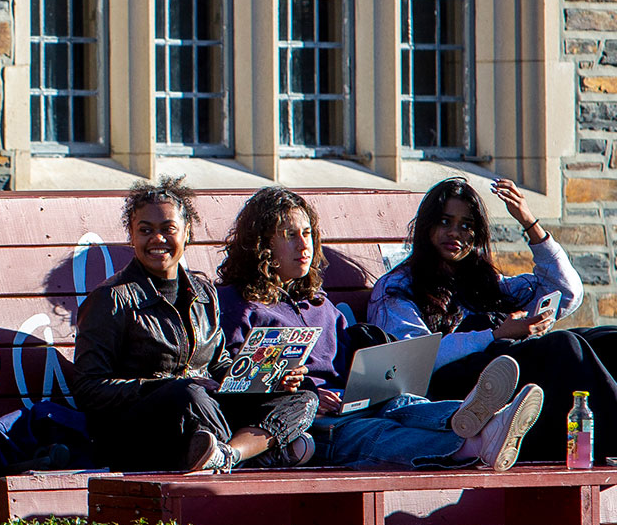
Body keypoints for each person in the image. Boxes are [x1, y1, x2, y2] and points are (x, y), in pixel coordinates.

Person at [369, 176, 617, 469]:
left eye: (466, 226)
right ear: (427, 226)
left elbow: (567, 292)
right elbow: (414, 359)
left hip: (506, 374)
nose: (455, 234)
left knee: (610, 338)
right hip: (457, 394)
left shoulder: (483, 284)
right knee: (562, 346)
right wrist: (497, 333)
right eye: (445, 222)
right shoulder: (398, 287)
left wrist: (530, 223)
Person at [216, 187, 541, 470]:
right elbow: (233, 378)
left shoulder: (319, 304)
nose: (305, 244)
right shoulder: (239, 303)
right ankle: (475, 443)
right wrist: (308, 393)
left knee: (402, 405)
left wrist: (369, 384)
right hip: (301, 422)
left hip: (347, 402)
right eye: (290, 235)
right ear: (261, 244)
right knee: (373, 434)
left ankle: (487, 419)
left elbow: (346, 362)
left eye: (307, 233)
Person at [74, 177, 319, 474]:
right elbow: (88, 388)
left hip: (203, 411)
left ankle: (228, 455)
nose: (157, 239)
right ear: (132, 236)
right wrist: (165, 386)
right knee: (189, 394)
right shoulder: (111, 299)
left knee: (302, 398)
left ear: (187, 232)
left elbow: (218, 364)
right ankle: (254, 457)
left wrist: (267, 378)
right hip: (141, 430)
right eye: (145, 231)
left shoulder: (204, 292)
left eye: (168, 229)